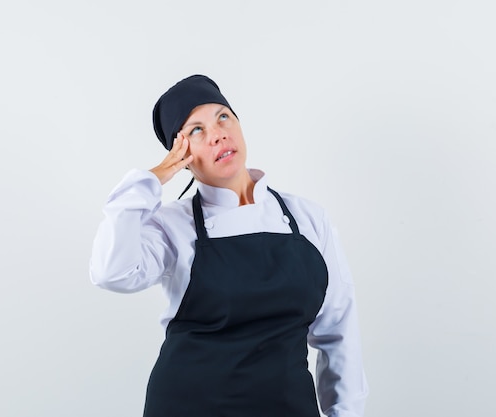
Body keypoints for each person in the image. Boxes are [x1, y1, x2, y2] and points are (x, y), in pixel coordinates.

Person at [90, 74, 369, 417]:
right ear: (181, 154)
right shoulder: (172, 225)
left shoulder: (308, 218)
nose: (218, 133)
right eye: (196, 130)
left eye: (223, 117)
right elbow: (110, 272)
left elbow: (338, 330)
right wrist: (152, 178)